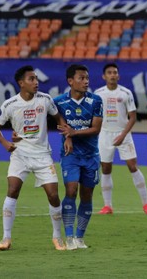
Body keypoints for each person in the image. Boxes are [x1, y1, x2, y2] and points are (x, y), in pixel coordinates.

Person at [0, 66, 68, 251]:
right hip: (19, 154)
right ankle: (6, 238)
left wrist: (67, 136)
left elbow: (58, 117)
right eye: (31, 79)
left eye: (36, 79)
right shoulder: (9, 104)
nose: (36, 82)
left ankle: (57, 237)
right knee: (12, 190)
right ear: (21, 83)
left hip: (43, 155)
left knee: (53, 195)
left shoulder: (45, 100)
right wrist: (6, 143)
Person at [54, 64, 103, 250]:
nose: (86, 82)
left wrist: (73, 133)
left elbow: (96, 129)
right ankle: (69, 236)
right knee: (71, 191)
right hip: (70, 155)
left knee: (87, 195)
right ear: (70, 81)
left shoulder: (96, 101)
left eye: (87, 78)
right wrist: (68, 136)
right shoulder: (58, 102)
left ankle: (80, 238)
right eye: (81, 78)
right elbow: (58, 120)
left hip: (91, 156)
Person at [95, 63, 147, 215]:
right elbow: (94, 116)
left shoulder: (126, 93)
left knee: (132, 166)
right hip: (105, 134)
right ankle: (107, 206)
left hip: (123, 133)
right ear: (104, 76)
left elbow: (132, 117)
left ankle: (146, 204)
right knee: (106, 169)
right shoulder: (98, 93)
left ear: (118, 75)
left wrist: (122, 135)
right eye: (109, 72)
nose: (112, 75)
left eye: (115, 72)